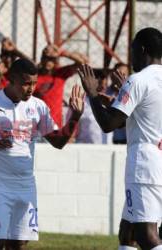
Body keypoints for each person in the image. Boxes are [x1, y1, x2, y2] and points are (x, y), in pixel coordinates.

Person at [0, 58, 84, 250]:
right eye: (26, 83)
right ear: (11, 79)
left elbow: (58, 142)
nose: (31, 88)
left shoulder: (38, 106)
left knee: (18, 244)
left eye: (34, 83)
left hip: (26, 184)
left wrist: (75, 116)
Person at [78, 27, 162, 250]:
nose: (131, 56)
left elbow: (108, 124)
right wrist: (119, 98)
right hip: (158, 161)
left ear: (142, 49)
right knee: (128, 232)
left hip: (144, 165)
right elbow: (143, 115)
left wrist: (92, 93)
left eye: (132, 49)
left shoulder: (138, 81)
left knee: (146, 235)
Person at [34, 44, 88, 128]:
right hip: (37, 124)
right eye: (46, 58)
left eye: (51, 59)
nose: (48, 62)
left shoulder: (60, 74)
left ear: (55, 61)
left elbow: (82, 63)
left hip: (55, 124)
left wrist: (62, 52)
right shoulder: (35, 77)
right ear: (41, 59)